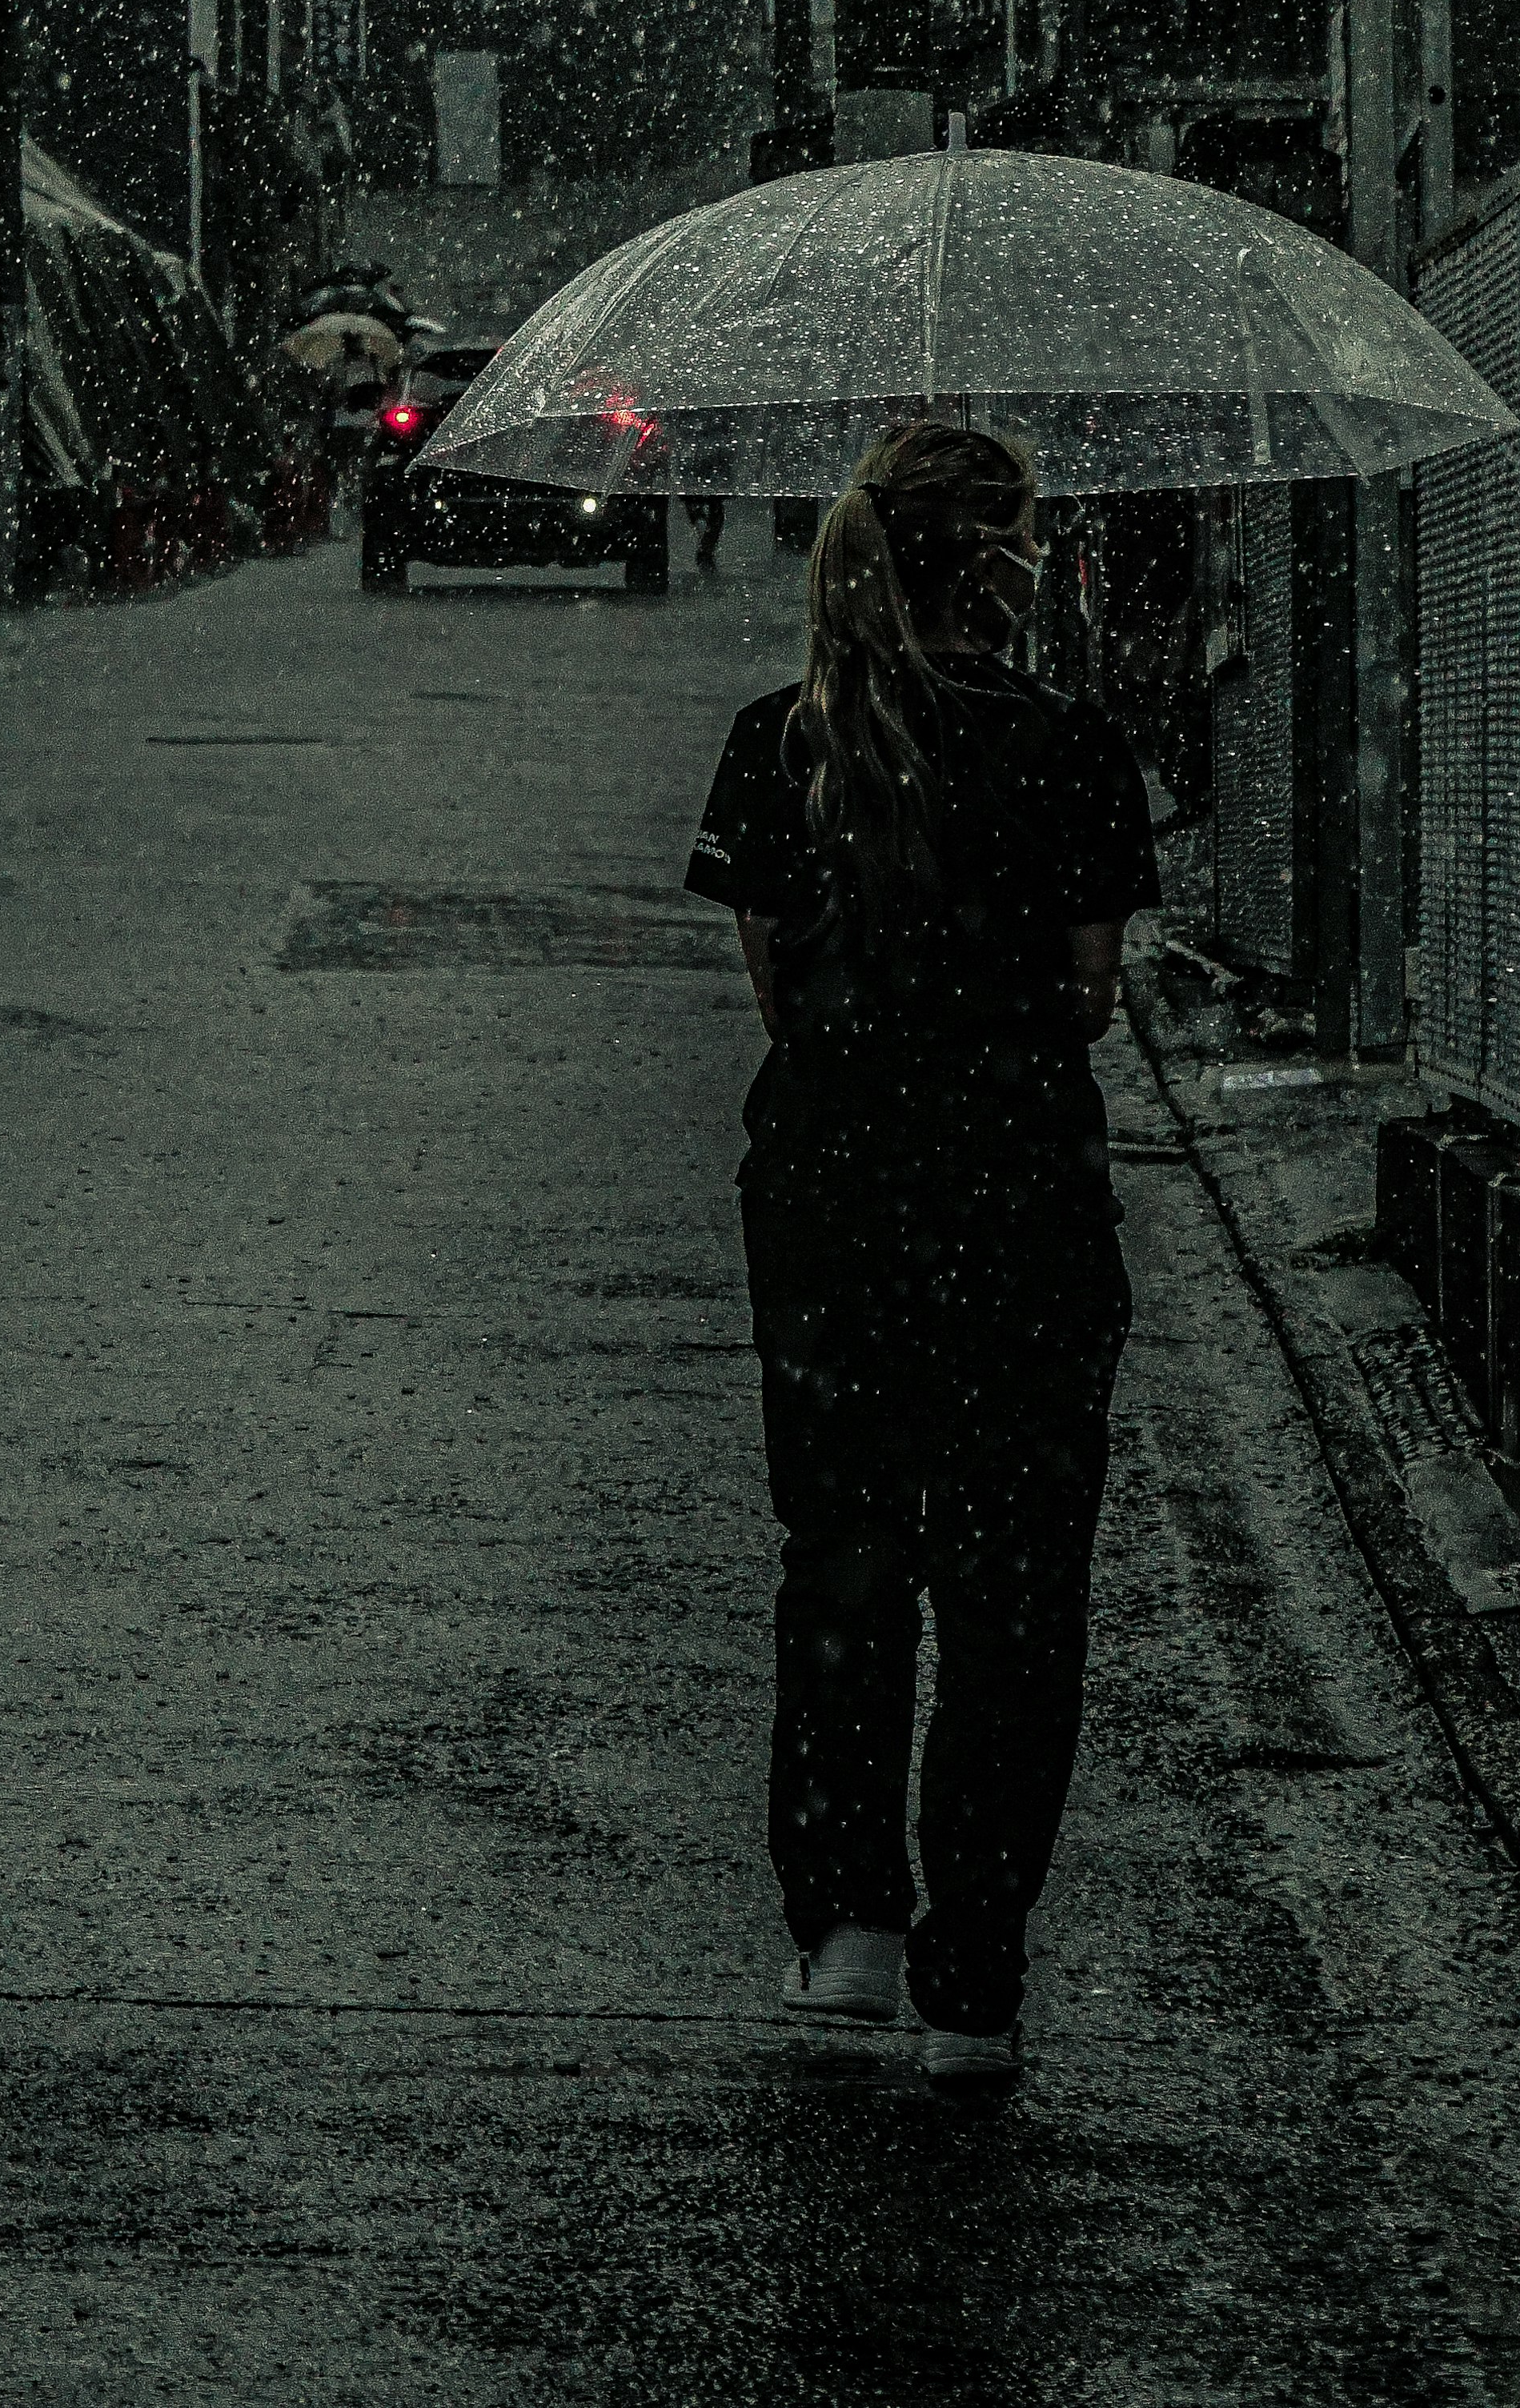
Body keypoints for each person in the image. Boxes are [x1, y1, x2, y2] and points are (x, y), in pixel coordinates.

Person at [684, 414, 1153, 2089]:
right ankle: (977, 1974)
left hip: (832, 1202)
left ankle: (853, 1930)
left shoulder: (778, 743)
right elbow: (1089, 999)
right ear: (1007, 556)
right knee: (1017, 1594)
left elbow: (775, 988)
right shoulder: (1078, 749)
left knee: (848, 1556)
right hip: (1021, 1204)